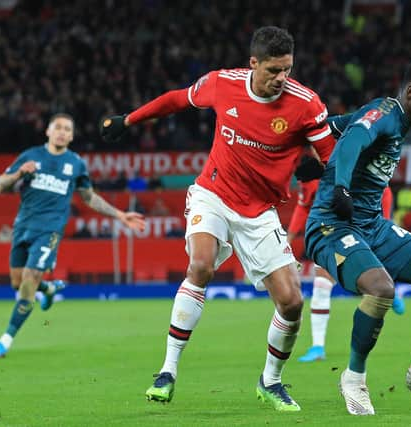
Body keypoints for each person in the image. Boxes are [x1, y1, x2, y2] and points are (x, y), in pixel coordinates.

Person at [100, 26, 336, 411]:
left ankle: (270, 381)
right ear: (253, 64)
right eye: (273, 70)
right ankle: (167, 371)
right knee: (201, 265)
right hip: (213, 194)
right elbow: (177, 100)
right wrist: (129, 121)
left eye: (287, 70)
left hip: (260, 211)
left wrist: (321, 172)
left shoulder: (305, 103)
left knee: (292, 302)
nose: (281, 79)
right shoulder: (222, 84)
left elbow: (332, 156)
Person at [305, 59, 411, 416]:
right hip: (332, 226)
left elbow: (335, 128)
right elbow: (354, 141)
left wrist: (311, 151)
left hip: (372, 225)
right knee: (380, 289)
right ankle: (353, 378)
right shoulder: (384, 113)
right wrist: (341, 188)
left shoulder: (393, 119)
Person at [0, 113, 145, 359]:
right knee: (17, 282)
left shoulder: (75, 164)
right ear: (47, 131)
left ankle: (4, 342)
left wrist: (120, 215)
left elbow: (89, 197)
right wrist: (18, 175)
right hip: (23, 227)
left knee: (28, 281)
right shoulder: (30, 156)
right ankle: (47, 289)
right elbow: (0, 185)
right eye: (57, 127)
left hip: (50, 231)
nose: (61, 132)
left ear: (71, 136)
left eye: (67, 129)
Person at [287, 119, 405, 363]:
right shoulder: (309, 175)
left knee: (372, 274)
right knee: (321, 284)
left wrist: (380, 223)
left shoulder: (346, 159)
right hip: (331, 231)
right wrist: (289, 238)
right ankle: (318, 347)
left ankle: (390, 288)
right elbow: (303, 206)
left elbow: (383, 192)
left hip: (364, 223)